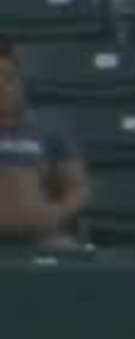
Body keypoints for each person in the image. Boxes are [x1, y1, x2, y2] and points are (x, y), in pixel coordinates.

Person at [0, 43, 85, 249]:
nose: (2, 87)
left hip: (39, 237)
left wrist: (59, 211)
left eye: (9, 79)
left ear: (20, 82)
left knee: (70, 253)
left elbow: (78, 186)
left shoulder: (48, 130)